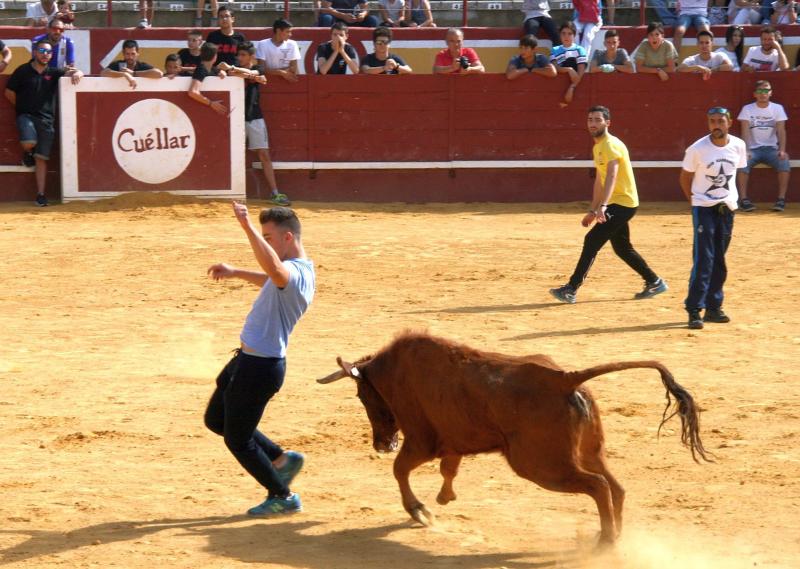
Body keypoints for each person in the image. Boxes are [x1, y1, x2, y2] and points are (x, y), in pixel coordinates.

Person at [204, 202, 315, 517]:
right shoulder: (299, 271)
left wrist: (247, 228)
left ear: (287, 238)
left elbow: (275, 272)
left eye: (268, 237)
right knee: (216, 420)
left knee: (238, 440)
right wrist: (236, 272)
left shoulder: (292, 271)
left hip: (259, 368)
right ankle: (281, 459)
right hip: (247, 361)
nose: (265, 242)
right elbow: (272, 278)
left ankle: (283, 495)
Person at [549, 105, 667, 304]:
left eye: (598, 120)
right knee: (622, 248)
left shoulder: (610, 145)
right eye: (590, 120)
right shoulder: (599, 147)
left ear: (607, 123)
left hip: (622, 203)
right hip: (618, 203)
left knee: (592, 240)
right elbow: (600, 180)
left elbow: (612, 175)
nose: (593, 124)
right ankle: (654, 281)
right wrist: (593, 209)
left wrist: (602, 206)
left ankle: (571, 289)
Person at [679, 107, 747, 329]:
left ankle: (714, 307)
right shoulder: (697, 149)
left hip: (726, 208)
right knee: (704, 259)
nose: (716, 125)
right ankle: (694, 308)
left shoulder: (738, 145)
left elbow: (736, 171)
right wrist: (695, 202)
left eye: (720, 121)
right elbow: (685, 177)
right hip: (704, 208)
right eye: (712, 121)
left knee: (719, 259)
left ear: (729, 123)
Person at [4, 39, 83, 206]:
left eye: (48, 52)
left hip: (46, 120)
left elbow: (75, 71)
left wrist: (78, 73)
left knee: (41, 159)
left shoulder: (54, 72)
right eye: (41, 51)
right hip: (26, 116)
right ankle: (28, 152)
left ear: (51, 55)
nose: (45, 54)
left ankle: (40, 195)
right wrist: (21, 106)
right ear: (34, 52)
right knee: (29, 141)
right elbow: (9, 92)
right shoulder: (22, 70)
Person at [219, 42, 293, 206]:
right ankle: (224, 192)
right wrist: (231, 71)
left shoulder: (257, 68)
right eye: (238, 55)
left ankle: (275, 192)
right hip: (234, 118)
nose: (239, 58)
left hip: (254, 116)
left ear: (252, 57)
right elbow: (231, 73)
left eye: (243, 55)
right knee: (228, 154)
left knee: (264, 154)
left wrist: (235, 70)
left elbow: (251, 73)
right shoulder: (234, 70)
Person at [736, 81, 790, 212]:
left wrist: (782, 150)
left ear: (770, 93)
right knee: (742, 161)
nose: (763, 94)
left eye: (766, 91)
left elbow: (781, 131)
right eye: (760, 91)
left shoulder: (777, 108)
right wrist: (745, 150)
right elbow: (745, 131)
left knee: (784, 160)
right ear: (754, 94)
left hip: (771, 149)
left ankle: (781, 199)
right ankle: (743, 199)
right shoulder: (747, 109)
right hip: (752, 150)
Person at [550, 22, 587, 107]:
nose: (566, 36)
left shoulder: (580, 50)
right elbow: (555, 68)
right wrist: (569, 70)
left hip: (575, 85)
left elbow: (581, 72)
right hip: (559, 86)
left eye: (569, 34)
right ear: (560, 34)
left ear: (574, 35)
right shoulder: (554, 50)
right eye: (563, 33)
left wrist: (572, 87)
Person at [187, 42, 228, 116]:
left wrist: (222, 72)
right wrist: (211, 103)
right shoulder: (201, 70)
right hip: (201, 111)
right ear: (215, 57)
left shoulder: (211, 69)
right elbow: (193, 92)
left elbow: (219, 71)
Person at [256, 18, 301, 83]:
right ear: (278, 30)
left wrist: (274, 71)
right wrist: (281, 72)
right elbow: (261, 69)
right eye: (287, 32)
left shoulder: (292, 44)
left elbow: (293, 68)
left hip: (287, 81)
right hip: (268, 81)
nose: (290, 34)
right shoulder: (263, 44)